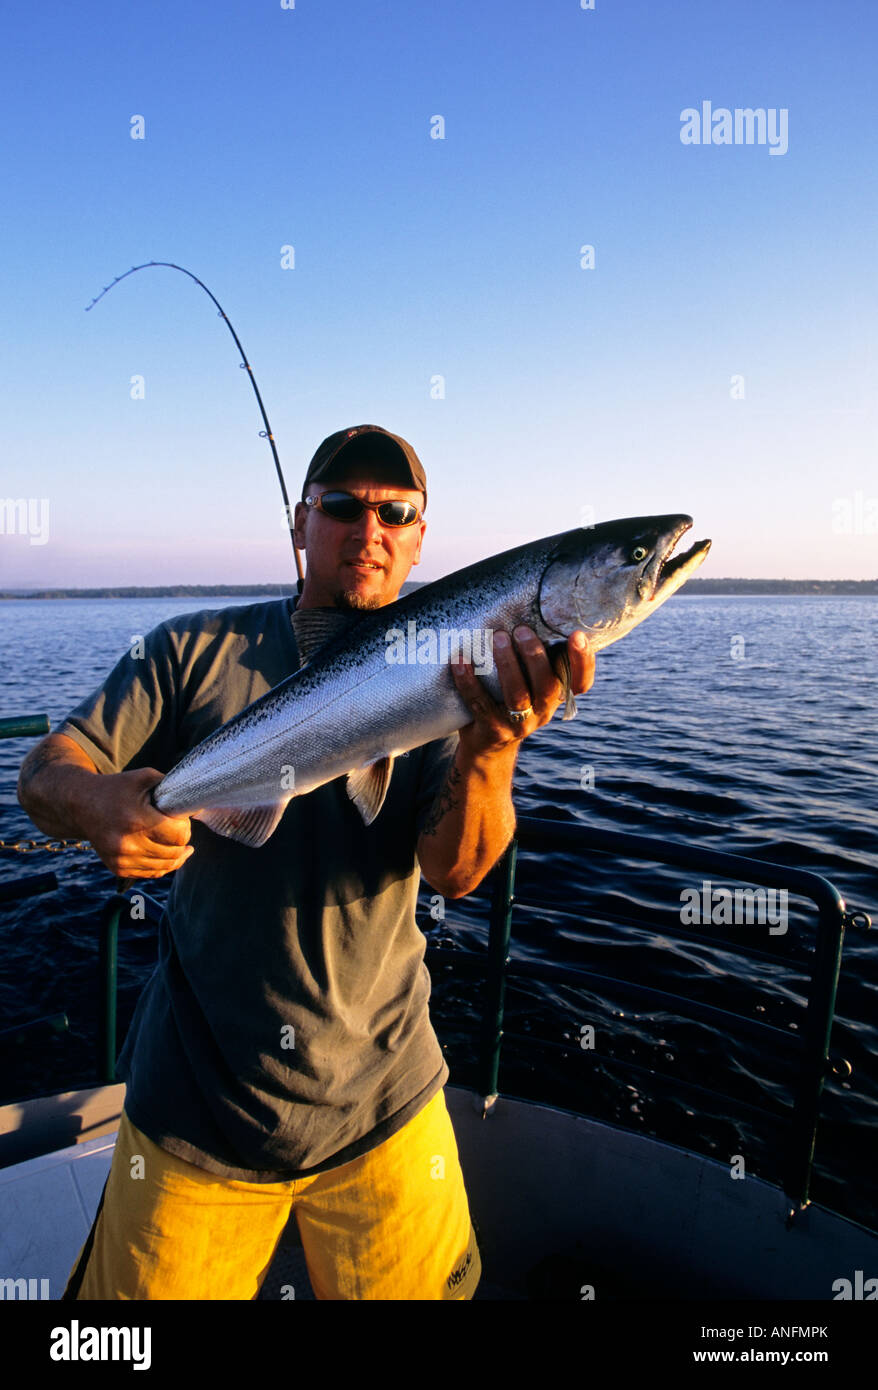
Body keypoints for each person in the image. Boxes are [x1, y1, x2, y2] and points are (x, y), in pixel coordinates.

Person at [17, 424, 595, 1300]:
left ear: (420, 537)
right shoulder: (190, 648)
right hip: (195, 1109)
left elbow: (456, 873)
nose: (370, 531)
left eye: (396, 512)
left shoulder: (463, 671)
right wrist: (98, 805)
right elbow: (45, 771)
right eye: (342, 507)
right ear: (301, 523)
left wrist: (491, 748)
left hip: (387, 1101)